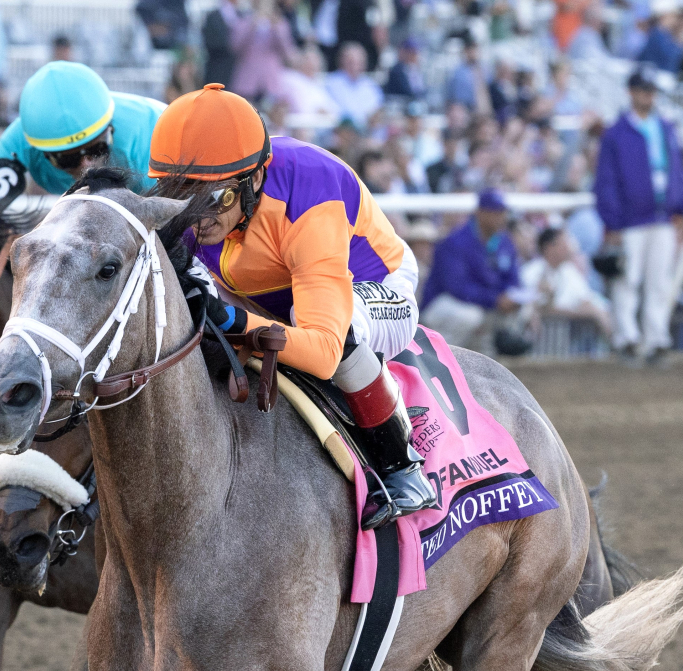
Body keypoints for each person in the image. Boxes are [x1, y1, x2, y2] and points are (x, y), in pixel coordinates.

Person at [148, 83, 437, 530]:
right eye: (182, 196)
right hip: (265, 295)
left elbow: (323, 351)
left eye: (216, 199)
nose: (197, 219)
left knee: (325, 328)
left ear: (253, 180)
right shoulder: (203, 199)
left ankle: (401, 468)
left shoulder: (310, 192)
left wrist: (231, 320)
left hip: (375, 288)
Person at [593, 64, 683, 365]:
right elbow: (607, 181)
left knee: (658, 282)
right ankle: (627, 338)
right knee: (628, 280)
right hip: (630, 220)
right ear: (632, 92)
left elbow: (677, 171)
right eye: (644, 90)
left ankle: (656, 339)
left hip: (662, 217)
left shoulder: (665, 127)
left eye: (651, 90)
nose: (649, 95)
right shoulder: (616, 134)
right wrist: (612, 221)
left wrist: (681, 208)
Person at [0, 62, 165, 210]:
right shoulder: (21, 141)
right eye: (68, 158)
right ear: (42, 152)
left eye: (96, 149)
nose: (87, 166)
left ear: (109, 129)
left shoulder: (145, 135)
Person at [419, 189, 523, 353]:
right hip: (442, 303)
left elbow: (513, 278)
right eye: (495, 212)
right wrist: (495, 299)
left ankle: (492, 356)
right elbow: (457, 287)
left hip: (481, 303)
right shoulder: (456, 241)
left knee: (523, 307)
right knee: (470, 316)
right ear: (481, 213)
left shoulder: (504, 241)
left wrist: (510, 297)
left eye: (502, 212)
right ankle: (438, 356)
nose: (501, 217)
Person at [324, 41, 384, 130]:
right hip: (344, 130)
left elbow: (378, 108)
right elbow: (334, 112)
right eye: (351, 61)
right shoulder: (332, 83)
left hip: (370, 131)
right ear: (342, 61)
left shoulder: (370, 85)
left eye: (359, 62)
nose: (355, 66)